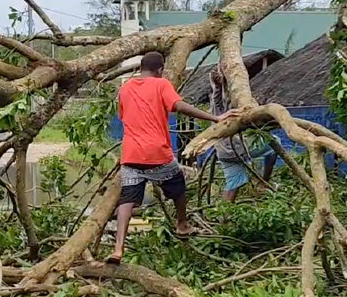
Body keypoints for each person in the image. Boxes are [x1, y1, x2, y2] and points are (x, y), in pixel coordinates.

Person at [108, 51, 233, 264]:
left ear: (140, 68)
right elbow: (179, 106)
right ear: (160, 69)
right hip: (157, 153)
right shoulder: (161, 84)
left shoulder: (125, 88)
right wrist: (214, 117)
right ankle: (182, 223)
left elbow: (124, 115)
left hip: (130, 155)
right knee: (178, 186)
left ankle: (118, 248)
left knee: (127, 200)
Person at [208, 69, 278, 202]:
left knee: (234, 183)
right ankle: (263, 183)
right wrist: (218, 84)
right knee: (275, 143)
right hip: (236, 148)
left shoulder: (216, 107)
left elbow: (216, 95)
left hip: (223, 153)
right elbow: (218, 96)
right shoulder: (223, 106)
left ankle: (223, 216)